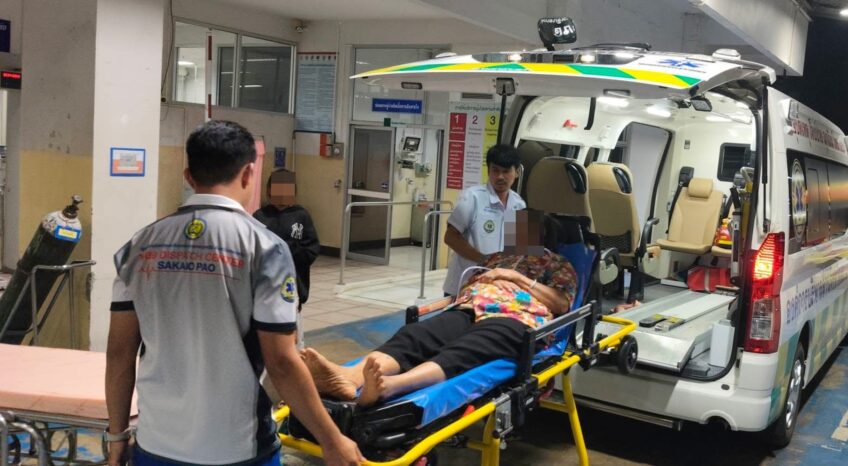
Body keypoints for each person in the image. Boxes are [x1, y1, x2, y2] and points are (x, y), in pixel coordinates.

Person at [104, 120, 363, 466]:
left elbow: (119, 354)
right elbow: (282, 362)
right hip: (237, 447)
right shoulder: (265, 249)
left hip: (156, 443)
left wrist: (117, 434)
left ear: (188, 176)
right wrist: (331, 439)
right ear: (249, 173)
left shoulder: (138, 247)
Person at [302, 209, 575, 406]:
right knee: (416, 335)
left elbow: (562, 303)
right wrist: (489, 279)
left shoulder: (556, 263)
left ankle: (391, 386)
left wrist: (516, 278)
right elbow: (469, 281)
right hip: (470, 305)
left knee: (468, 347)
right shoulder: (496, 257)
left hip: (517, 318)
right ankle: (347, 377)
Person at [443, 144, 526, 297]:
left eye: (506, 171)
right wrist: (485, 261)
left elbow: (521, 249)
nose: (500, 176)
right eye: (495, 170)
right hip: (463, 285)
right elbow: (450, 237)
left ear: (517, 173)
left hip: (499, 289)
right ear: (488, 171)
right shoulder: (472, 197)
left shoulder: (520, 204)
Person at [254, 169, 320, 310]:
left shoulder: (301, 215)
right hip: (264, 286)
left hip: (292, 286)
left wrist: (292, 249)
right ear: (269, 190)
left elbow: (311, 249)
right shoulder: (260, 216)